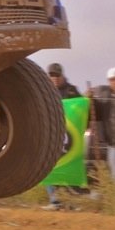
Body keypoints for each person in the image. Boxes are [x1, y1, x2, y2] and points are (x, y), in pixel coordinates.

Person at [43, 63, 81, 210]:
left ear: (62, 75)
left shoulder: (72, 91)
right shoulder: (44, 90)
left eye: (57, 75)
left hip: (69, 137)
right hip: (50, 136)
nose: (55, 78)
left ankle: (71, 201)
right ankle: (54, 200)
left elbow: (82, 109)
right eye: (52, 75)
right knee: (48, 166)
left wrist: (88, 99)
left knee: (68, 166)